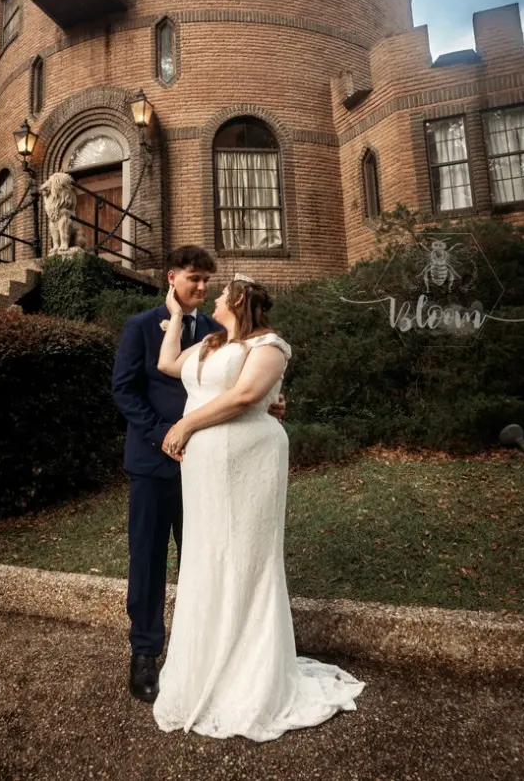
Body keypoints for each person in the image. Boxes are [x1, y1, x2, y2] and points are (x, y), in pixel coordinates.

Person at [151, 276, 365, 742]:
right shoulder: (208, 342)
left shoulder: (269, 345)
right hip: (205, 469)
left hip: (250, 459)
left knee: (247, 557)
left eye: (222, 291)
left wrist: (184, 424)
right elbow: (168, 365)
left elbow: (248, 397)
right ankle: (209, 660)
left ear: (240, 299)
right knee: (208, 556)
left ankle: (251, 672)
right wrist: (175, 314)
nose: (214, 298)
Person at [111, 247, 285, 702]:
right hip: (154, 463)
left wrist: (271, 403)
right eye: (194, 279)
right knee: (147, 560)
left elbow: (242, 389)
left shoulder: (218, 331)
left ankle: (206, 649)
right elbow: (126, 392)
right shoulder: (141, 327)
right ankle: (145, 652)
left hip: (210, 470)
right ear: (172, 278)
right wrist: (167, 435)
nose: (202, 288)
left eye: (209, 281)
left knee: (205, 558)